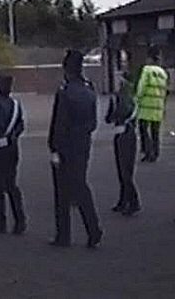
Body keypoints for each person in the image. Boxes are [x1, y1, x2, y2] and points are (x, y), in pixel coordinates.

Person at [48, 50, 103, 248]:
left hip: (66, 148)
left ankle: (64, 235)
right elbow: (93, 123)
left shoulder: (65, 92)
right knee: (81, 186)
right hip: (83, 145)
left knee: (62, 193)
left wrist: (54, 148)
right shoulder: (89, 91)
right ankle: (93, 228)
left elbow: (59, 124)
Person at [0, 75, 27, 234]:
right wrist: (12, 136)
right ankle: (20, 220)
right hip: (12, 147)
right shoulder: (16, 104)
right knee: (12, 185)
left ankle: (0, 222)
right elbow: (20, 126)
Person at [105, 71, 141, 216]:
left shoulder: (123, 94)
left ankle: (133, 202)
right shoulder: (130, 93)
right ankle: (124, 200)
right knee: (125, 169)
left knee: (124, 170)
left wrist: (113, 116)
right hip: (128, 131)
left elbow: (119, 112)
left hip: (124, 132)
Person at [136, 46, 169, 163]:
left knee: (144, 130)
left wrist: (137, 99)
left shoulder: (147, 70)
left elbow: (142, 87)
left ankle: (148, 152)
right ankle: (156, 152)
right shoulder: (163, 73)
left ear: (149, 58)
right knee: (155, 131)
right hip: (158, 106)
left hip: (146, 106)